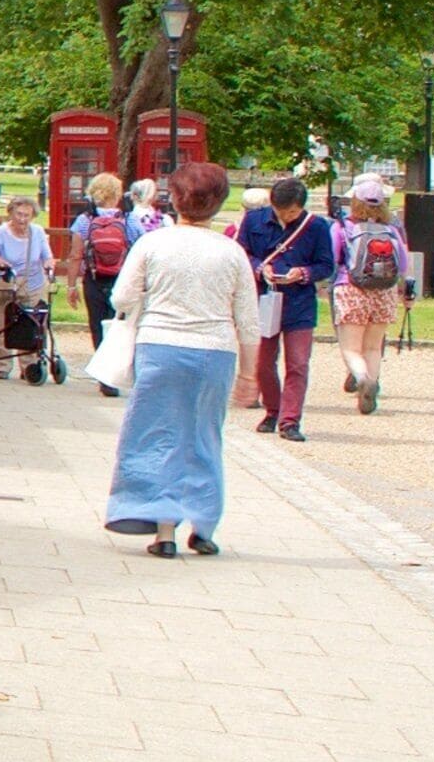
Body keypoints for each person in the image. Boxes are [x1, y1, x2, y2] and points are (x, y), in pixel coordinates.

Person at [105, 161, 261, 559]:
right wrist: (249, 373)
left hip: (161, 345)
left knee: (156, 434)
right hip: (215, 351)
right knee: (204, 435)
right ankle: (204, 522)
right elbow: (247, 320)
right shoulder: (231, 252)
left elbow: (122, 298)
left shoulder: (153, 243)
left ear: (173, 198)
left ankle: (163, 528)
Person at [235, 176, 340, 440]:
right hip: (265, 299)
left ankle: (290, 420)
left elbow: (326, 265)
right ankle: (273, 409)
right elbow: (241, 253)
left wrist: (303, 273)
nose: (285, 216)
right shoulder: (254, 220)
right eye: (280, 210)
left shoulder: (315, 227)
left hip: (299, 304)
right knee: (263, 362)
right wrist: (261, 268)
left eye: (291, 211)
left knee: (298, 363)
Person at [328, 175, 414, 414]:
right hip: (383, 292)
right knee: (373, 347)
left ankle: (361, 377)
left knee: (351, 348)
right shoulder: (391, 231)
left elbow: (333, 259)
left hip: (351, 289)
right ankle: (373, 382)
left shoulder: (343, 227)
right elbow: (404, 264)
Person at [67, 171, 133, 387]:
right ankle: (114, 375)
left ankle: (104, 377)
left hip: (93, 278)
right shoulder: (129, 219)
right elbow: (140, 249)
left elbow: (76, 255)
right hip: (121, 280)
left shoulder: (85, 220)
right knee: (118, 325)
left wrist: (71, 286)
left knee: (97, 325)